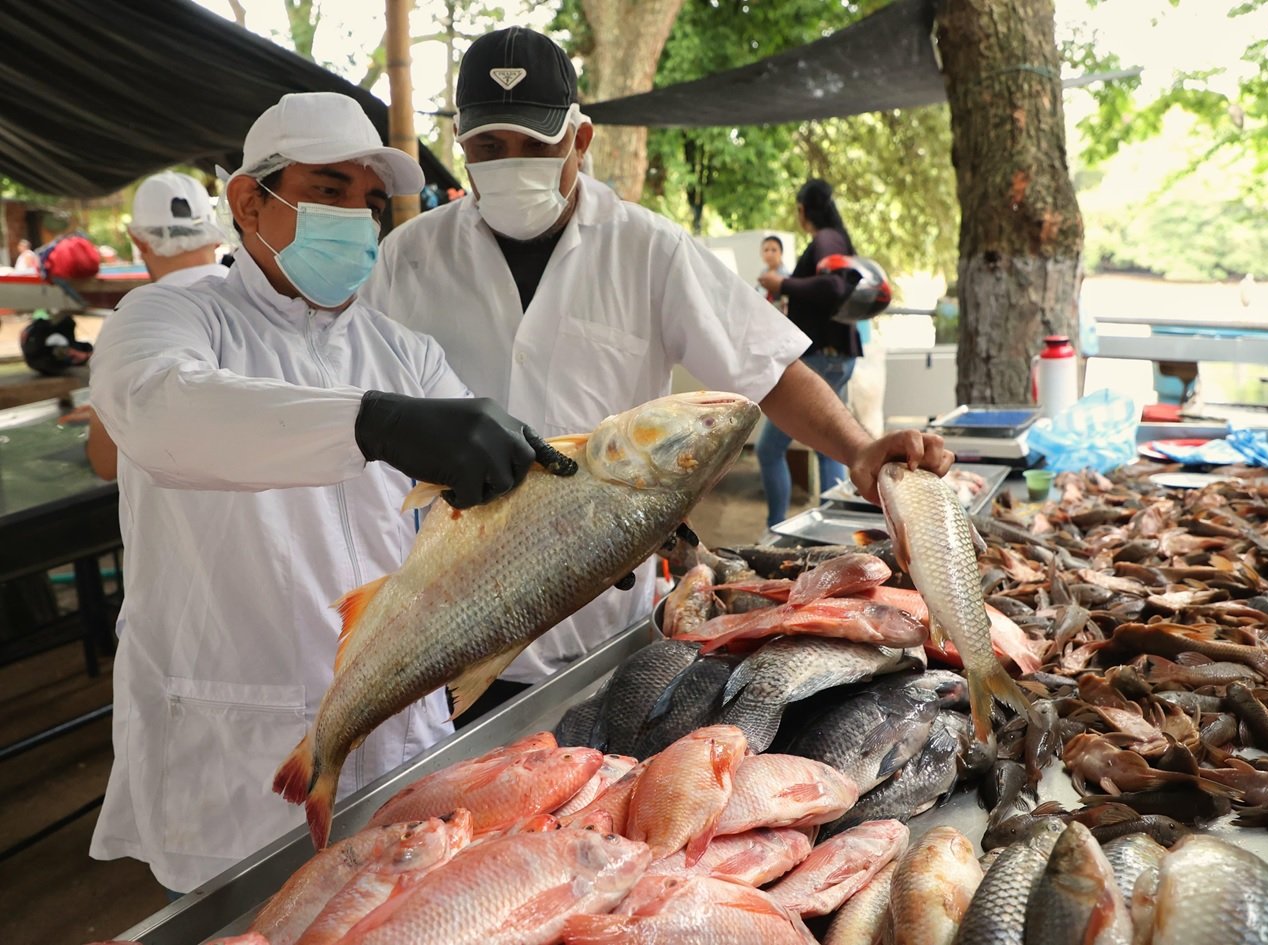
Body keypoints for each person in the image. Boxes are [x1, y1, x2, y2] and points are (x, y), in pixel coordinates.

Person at [360, 27, 955, 716]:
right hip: (441, 621)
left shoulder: (648, 249)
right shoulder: (408, 259)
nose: (511, 164)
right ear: (460, 143)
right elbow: (356, 405)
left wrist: (857, 448)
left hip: (598, 627)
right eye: (490, 147)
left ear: (579, 139)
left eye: (535, 144)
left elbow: (765, 367)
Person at [88, 91, 548, 896]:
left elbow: (484, 500)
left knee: (398, 910)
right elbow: (157, 412)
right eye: (328, 190)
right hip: (236, 744)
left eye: (368, 202)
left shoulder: (402, 351)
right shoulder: (167, 317)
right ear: (247, 201)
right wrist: (372, 423)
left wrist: (573, 518)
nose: (355, 219)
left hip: (395, 721)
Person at [68, 171, 232, 477]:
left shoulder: (130, 322)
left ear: (138, 240)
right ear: (216, 234)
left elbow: (106, 463)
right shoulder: (267, 301)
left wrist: (106, 411)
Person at [756, 179, 863, 527]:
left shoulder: (826, 239)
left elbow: (834, 286)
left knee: (769, 449)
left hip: (821, 359)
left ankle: (775, 529)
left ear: (803, 210)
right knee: (828, 446)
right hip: (835, 357)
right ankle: (833, 529)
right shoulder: (836, 238)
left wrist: (783, 284)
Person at [758, 234, 788, 311]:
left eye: (774, 250)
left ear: (781, 253)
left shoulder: (786, 276)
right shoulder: (763, 274)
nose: (769, 254)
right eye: (766, 250)